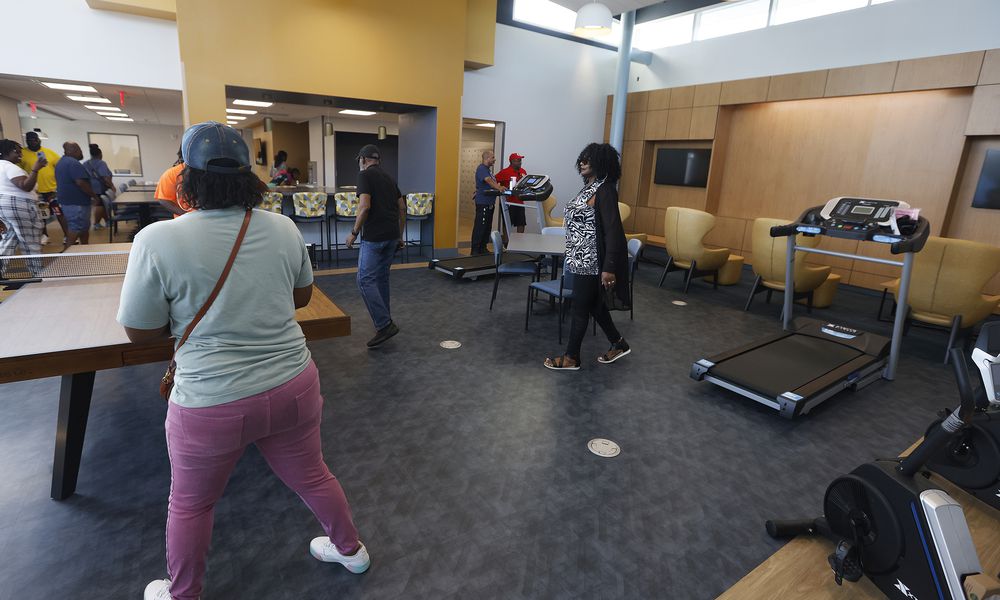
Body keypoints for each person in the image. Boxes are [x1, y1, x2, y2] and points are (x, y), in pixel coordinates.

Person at [117, 121, 367, 600]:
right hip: (293, 382)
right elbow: (300, 297)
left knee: (190, 505)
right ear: (249, 177)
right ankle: (351, 550)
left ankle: (183, 593)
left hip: (210, 400)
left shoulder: (157, 240)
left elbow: (140, 331)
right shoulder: (282, 226)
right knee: (314, 474)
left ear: (185, 177)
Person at [544, 143, 631, 371]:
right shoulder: (588, 188)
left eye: (588, 159)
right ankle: (619, 343)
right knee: (594, 306)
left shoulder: (605, 189)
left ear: (601, 162)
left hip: (592, 261)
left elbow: (613, 230)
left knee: (580, 307)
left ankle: (571, 357)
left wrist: (609, 267)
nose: (582, 162)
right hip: (579, 259)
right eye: (581, 159)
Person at [345, 143, 405, 348]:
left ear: (363, 160)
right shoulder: (389, 178)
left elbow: (364, 207)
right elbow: (402, 208)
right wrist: (400, 235)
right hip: (392, 237)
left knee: (364, 280)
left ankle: (384, 324)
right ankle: (384, 319)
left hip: (374, 238)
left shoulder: (364, 176)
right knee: (381, 279)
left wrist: (354, 232)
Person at [0, 139, 45, 257]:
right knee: (31, 241)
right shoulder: (10, 167)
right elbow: (25, 186)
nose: (20, 155)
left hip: (4, 207)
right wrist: (35, 169)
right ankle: (36, 273)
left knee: (9, 239)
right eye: (17, 152)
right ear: (5, 152)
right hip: (19, 205)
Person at [18, 131, 65, 244]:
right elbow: (19, 171)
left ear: (39, 140)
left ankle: (67, 235)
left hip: (52, 190)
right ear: (27, 141)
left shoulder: (49, 153)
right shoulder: (22, 154)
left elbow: (60, 168)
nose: (32, 142)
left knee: (60, 213)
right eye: (29, 140)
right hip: (36, 192)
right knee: (41, 215)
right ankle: (44, 235)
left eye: (35, 140)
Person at [54, 142, 101, 250]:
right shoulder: (73, 163)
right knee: (75, 228)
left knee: (83, 228)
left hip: (71, 202)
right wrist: (94, 196)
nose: (81, 152)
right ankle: (68, 255)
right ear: (72, 150)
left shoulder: (61, 162)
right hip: (76, 203)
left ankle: (84, 249)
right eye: (79, 150)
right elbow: (81, 183)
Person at [471, 150, 506, 254]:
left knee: (487, 226)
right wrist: (499, 187)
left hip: (489, 203)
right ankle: (475, 250)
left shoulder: (488, 170)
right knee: (480, 226)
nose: (494, 159)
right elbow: (488, 181)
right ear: (487, 158)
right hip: (483, 203)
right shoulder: (482, 168)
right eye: (493, 157)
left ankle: (483, 248)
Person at [495, 152, 527, 234]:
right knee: (507, 224)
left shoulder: (523, 171)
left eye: (520, 160)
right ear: (512, 161)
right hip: (508, 203)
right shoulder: (504, 172)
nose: (520, 162)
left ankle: (519, 243)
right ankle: (506, 244)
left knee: (521, 223)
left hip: (520, 202)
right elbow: (493, 181)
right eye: (518, 160)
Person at [83, 144, 112, 228]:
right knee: (99, 205)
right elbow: (105, 177)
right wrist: (112, 186)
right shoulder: (101, 163)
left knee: (102, 205)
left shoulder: (86, 163)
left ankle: (106, 221)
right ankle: (96, 223)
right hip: (100, 187)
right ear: (100, 154)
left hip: (90, 187)